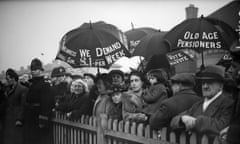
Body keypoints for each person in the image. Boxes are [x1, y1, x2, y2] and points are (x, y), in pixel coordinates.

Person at [170, 65, 234, 137]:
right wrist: (182, 119)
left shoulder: (228, 103)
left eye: (210, 82)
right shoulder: (198, 103)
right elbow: (174, 121)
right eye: (203, 83)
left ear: (220, 86)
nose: (205, 86)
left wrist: (195, 122)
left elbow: (221, 126)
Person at [24, 58, 54, 144]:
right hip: (31, 117)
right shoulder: (32, 84)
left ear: (41, 71)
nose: (33, 71)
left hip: (39, 118)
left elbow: (46, 104)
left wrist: (43, 120)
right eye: (32, 69)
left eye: (35, 69)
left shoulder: (45, 84)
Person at [3, 69, 28, 144]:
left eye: (8, 79)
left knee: (17, 140)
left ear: (13, 78)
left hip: (17, 121)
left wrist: (19, 119)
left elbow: (23, 106)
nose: (7, 81)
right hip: (9, 120)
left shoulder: (22, 89)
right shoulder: (8, 89)